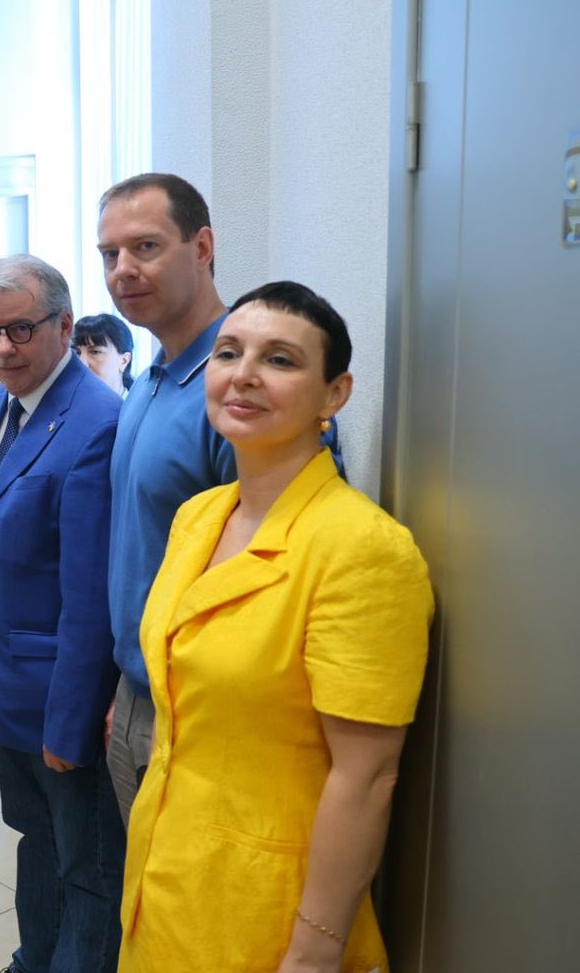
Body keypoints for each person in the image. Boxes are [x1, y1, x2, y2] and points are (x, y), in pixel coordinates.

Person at [119, 282, 432, 971]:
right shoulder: (200, 516)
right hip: (162, 874)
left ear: (334, 395)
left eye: (280, 359)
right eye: (229, 352)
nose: (244, 374)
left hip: (269, 907)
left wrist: (314, 953)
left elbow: (367, 776)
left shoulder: (362, 549)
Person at [0, 256, 124, 973]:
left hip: (58, 697)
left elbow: (90, 600)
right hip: (7, 686)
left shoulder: (96, 423)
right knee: (36, 840)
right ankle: (35, 958)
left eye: (20, 329)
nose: (2, 348)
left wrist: (69, 722)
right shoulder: (1, 403)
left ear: (63, 325)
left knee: (86, 866)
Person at [95, 173, 234, 826]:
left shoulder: (241, 385)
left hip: (208, 709)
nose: (122, 269)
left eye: (145, 247)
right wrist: (125, 689)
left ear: (201, 247)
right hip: (138, 691)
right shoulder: (148, 381)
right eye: (110, 254)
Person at [73, 312, 135, 395]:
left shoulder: (142, 402)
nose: (81, 362)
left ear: (124, 361)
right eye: (77, 352)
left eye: (95, 352)